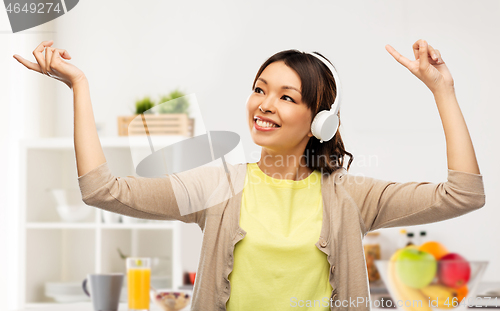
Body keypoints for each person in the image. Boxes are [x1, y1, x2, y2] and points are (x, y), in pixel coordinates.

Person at [13, 39, 485, 311]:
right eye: (260, 89)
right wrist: (79, 85)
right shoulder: (218, 186)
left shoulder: (350, 196)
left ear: (321, 120)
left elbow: (463, 195)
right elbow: (102, 190)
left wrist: (442, 89)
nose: (264, 104)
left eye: (286, 96)